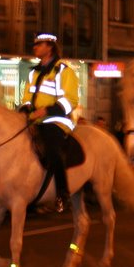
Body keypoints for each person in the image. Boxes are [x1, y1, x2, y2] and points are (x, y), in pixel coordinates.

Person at [18, 32, 79, 213]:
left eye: (39, 44)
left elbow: (71, 100)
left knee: (52, 148)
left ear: (49, 47)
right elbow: (27, 98)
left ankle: (62, 193)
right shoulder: (34, 72)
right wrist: (25, 110)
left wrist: (46, 110)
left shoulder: (63, 70)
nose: (35, 47)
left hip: (57, 120)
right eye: (35, 44)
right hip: (35, 119)